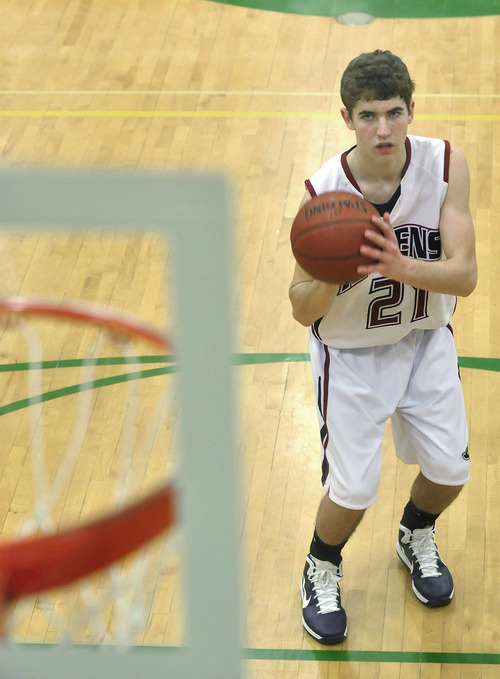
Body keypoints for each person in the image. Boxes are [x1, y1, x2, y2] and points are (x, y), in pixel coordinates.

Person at [288, 50, 477, 645]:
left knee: (451, 472)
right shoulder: (324, 192)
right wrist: (334, 271)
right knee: (352, 491)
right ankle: (321, 564)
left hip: (424, 340)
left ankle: (414, 531)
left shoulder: (446, 164)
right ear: (346, 117)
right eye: (368, 116)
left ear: (411, 110)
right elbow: (299, 307)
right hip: (350, 354)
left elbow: (466, 276)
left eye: (395, 113)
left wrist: (399, 264)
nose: (384, 129)